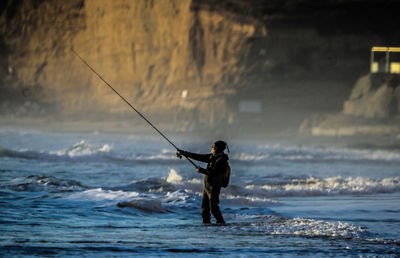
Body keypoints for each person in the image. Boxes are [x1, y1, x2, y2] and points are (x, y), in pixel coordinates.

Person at [177, 141, 229, 224]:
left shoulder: (221, 160)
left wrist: (202, 171)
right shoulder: (213, 156)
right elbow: (199, 157)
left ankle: (222, 225)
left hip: (214, 187)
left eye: (213, 146)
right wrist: (185, 153)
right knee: (205, 209)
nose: (212, 147)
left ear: (217, 148)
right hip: (207, 187)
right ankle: (206, 226)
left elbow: (214, 172)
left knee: (214, 209)